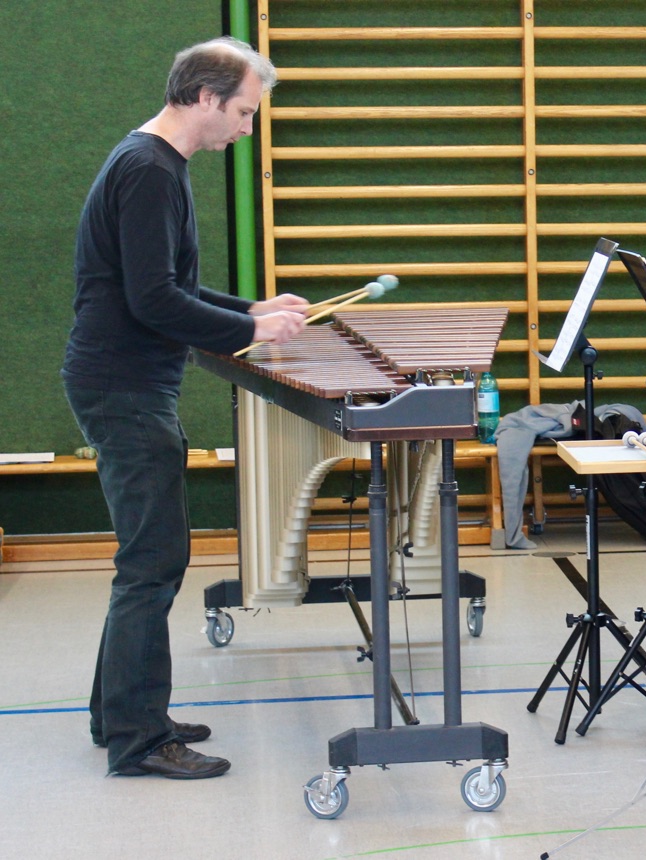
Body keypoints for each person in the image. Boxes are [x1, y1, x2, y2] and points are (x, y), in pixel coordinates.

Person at [62, 37, 309, 779]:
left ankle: (120, 715)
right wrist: (249, 331)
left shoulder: (154, 162)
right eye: (242, 111)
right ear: (204, 97)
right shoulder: (147, 170)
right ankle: (138, 741)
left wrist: (250, 307)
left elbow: (169, 282)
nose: (247, 128)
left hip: (129, 380)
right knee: (154, 561)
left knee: (148, 558)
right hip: (123, 384)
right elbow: (154, 300)